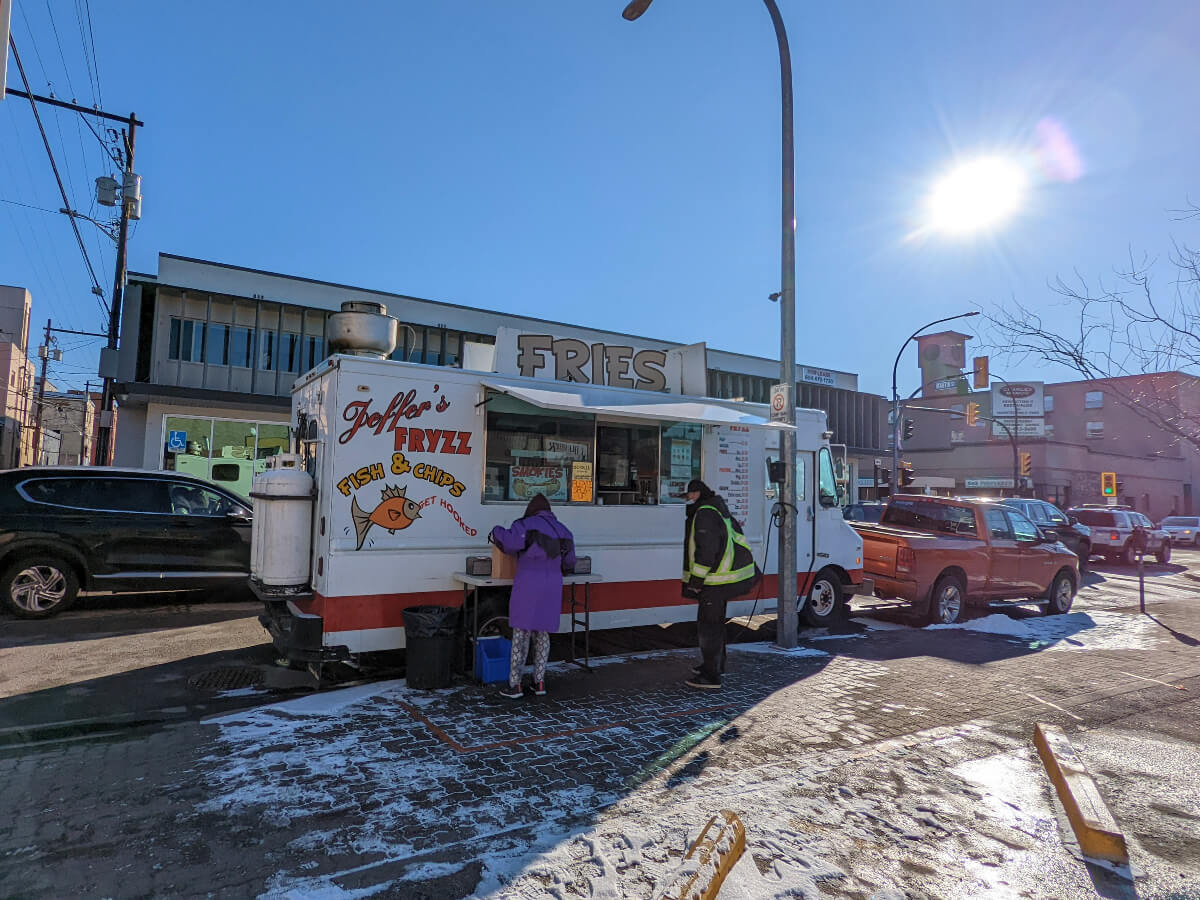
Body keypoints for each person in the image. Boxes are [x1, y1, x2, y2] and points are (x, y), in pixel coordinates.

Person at [489, 493, 576, 699]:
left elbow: (509, 543)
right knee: (543, 634)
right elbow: (570, 562)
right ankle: (539, 683)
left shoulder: (525, 525)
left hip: (528, 585)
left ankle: (515, 685)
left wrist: (496, 530)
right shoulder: (564, 530)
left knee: (521, 634)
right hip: (553, 586)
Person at [682, 479, 760, 690]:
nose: (687, 499)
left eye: (688, 495)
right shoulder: (716, 508)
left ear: (697, 493)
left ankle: (711, 676)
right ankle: (715, 664)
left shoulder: (705, 513)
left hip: (716, 581)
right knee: (714, 625)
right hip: (725, 579)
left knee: (709, 628)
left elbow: (706, 552)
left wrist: (696, 581)